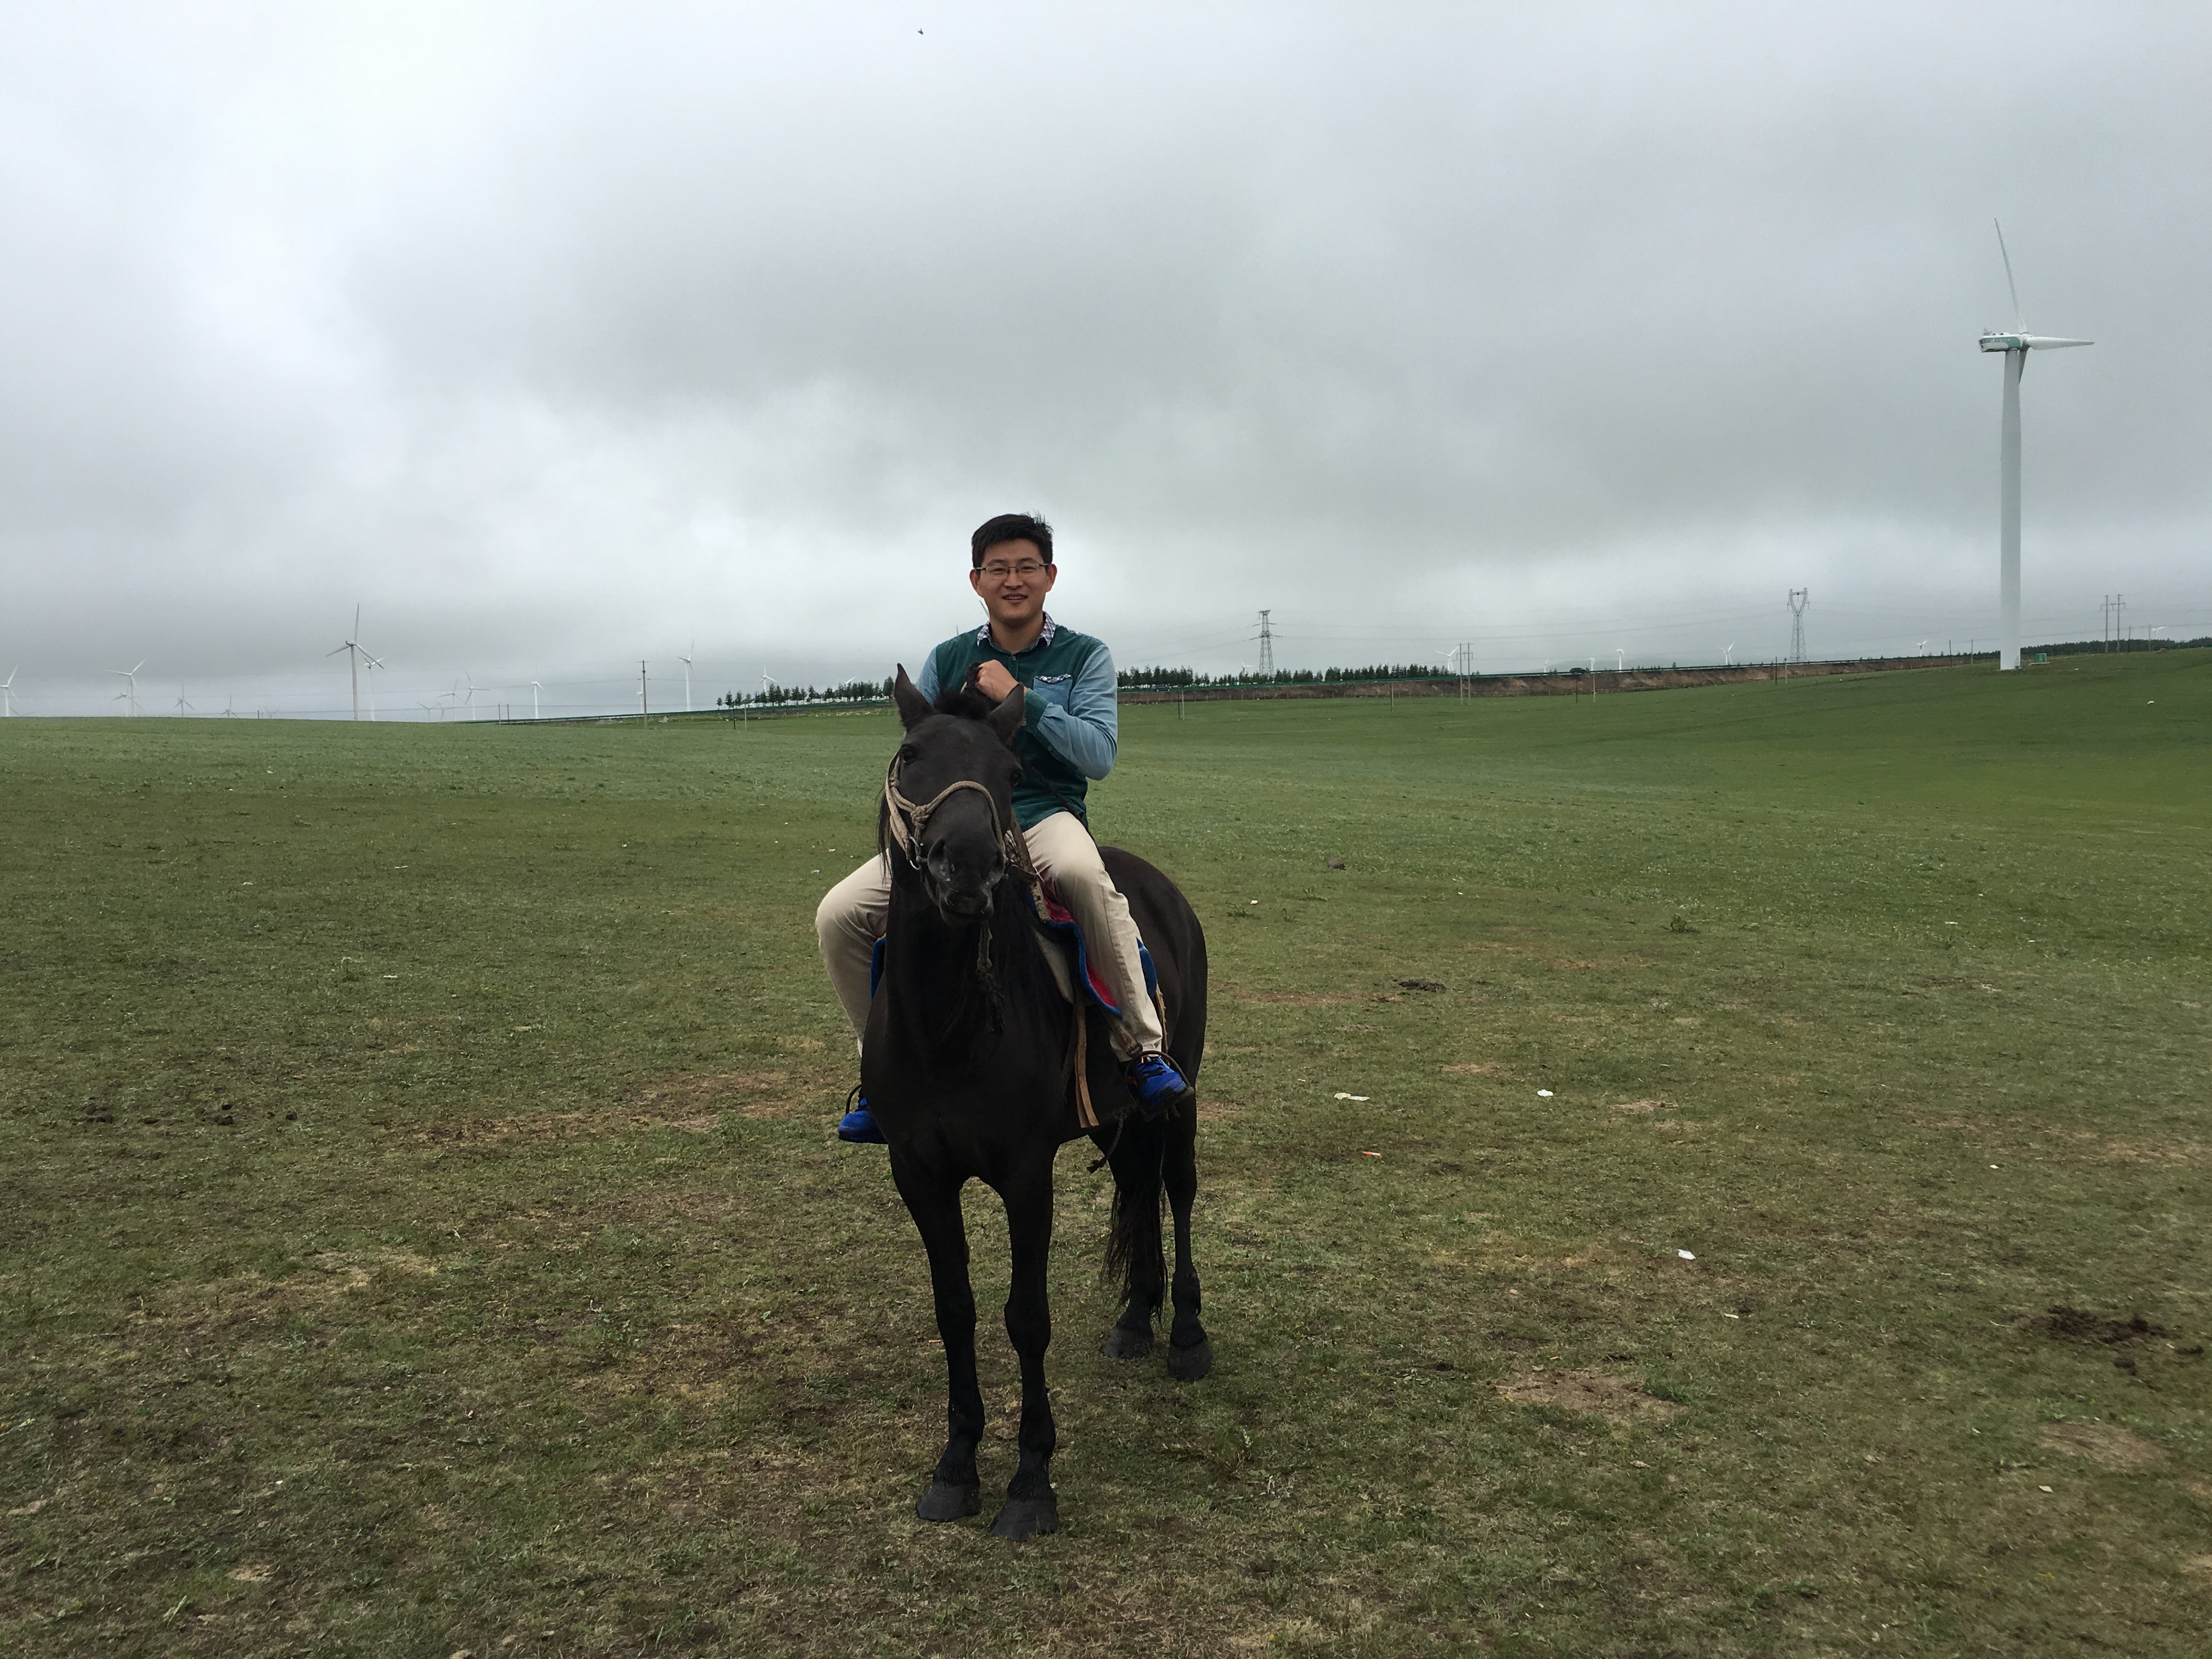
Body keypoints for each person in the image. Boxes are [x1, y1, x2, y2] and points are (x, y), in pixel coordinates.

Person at [815, 512, 1193, 1143]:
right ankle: (880, 1072)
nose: (1012, 580)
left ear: (1049, 576)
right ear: (977, 581)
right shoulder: (948, 658)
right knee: (838, 914)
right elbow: (920, 746)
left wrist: (1023, 695)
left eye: (1026, 568)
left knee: (1084, 878)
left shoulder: (1085, 656)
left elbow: (1098, 755)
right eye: (998, 569)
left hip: (1043, 819)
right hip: (956, 824)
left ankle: (1142, 1050)